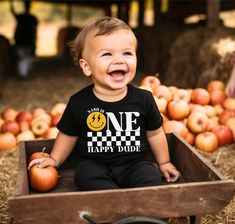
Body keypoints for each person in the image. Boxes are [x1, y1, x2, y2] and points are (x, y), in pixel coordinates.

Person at [28, 17, 180, 191]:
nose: (119, 60)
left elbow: (154, 134)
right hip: (95, 165)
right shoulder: (79, 102)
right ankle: (110, 202)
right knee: (85, 175)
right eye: (107, 54)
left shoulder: (144, 99)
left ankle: (141, 211)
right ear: (87, 67)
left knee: (150, 177)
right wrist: (54, 159)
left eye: (127, 53)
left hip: (135, 164)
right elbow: (68, 135)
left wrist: (164, 162)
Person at [10, 0, 38, 79]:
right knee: (25, 58)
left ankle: (23, 74)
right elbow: (35, 31)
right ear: (29, 7)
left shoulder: (21, 17)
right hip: (28, 41)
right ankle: (23, 74)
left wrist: (11, 4)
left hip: (21, 41)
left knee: (22, 58)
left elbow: (13, 12)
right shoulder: (32, 18)